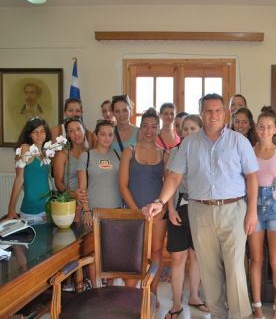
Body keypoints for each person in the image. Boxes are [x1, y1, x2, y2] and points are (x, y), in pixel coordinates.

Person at [143, 93, 259, 319]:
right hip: (199, 212)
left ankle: (240, 316)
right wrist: (160, 202)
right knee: (208, 269)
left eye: (218, 110)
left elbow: (252, 178)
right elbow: (175, 177)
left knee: (235, 269)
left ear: (224, 113)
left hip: (233, 211)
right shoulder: (189, 144)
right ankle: (217, 314)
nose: (213, 115)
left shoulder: (239, 141)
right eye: (208, 110)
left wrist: (252, 211)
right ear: (201, 113)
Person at [248, 107, 276, 319]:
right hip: (254, 209)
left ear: (275, 130)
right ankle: (256, 307)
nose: (265, 131)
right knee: (256, 259)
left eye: (269, 127)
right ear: (257, 129)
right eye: (261, 127)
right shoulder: (248, 151)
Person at [165, 114, 209, 318]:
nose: (189, 132)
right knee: (178, 257)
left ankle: (194, 296)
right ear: (180, 132)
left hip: (202, 209)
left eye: (193, 128)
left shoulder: (208, 151)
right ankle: (175, 303)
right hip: (179, 209)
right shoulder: (175, 151)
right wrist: (171, 210)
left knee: (197, 256)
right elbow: (170, 182)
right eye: (185, 129)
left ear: (200, 129)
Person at [119, 108, 166, 291]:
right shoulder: (129, 152)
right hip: (133, 212)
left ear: (158, 129)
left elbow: (167, 184)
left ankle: (151, 292)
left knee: (155, 252)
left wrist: (161, 210)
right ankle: (130, 295)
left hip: (158, 214)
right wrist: (136, 211)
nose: (149, 131)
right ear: (140, 128)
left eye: (154, 127)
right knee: (134, 254)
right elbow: (123, 185)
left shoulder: (164, 154)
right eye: (145, 126)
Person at [77, 120, 122, 227]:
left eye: (110, 134)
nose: (107, 138)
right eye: (102, 134)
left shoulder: (119, 155)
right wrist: (86, 211)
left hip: (116, 211)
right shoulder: (86, 156)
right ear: (96, 136)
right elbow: (82, 189)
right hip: (93, 212)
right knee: (93, 244)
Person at [7, 117, 52, 223]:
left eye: (42, 131)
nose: (39, 135)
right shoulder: (24, 148)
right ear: (29, 134)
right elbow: (19, 180)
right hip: (31, 212)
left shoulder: (45, 152)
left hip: (47, 209)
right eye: (35, 132)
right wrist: (11, 209)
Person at [52, 117, 89, 223]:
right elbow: (58, 183)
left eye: (78, 129)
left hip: (88, 204)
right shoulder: (62, 155)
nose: (76, 133)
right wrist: (74, 194)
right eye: (71, 131)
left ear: (84, 130)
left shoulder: (90, 152)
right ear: (67, 135)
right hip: (70, 205)